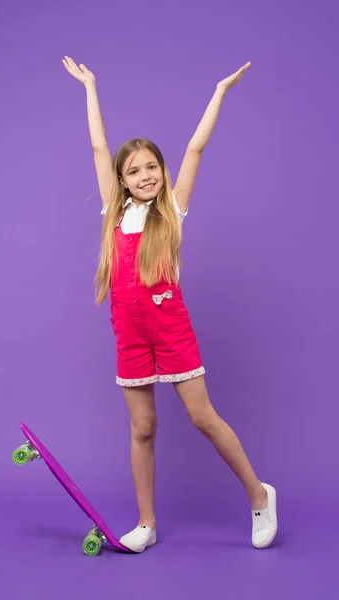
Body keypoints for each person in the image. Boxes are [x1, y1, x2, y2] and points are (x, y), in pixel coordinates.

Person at [62, 55, 277, 552]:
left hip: (171, 328)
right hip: (129, 332)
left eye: (151, 166)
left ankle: (258, 494)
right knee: (143, 426)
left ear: (162, 171)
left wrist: (220, 92)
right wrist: (91, 87)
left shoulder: (173, 212)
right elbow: (98, 145)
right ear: (121, 180)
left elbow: (196, 146)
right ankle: (146, 523)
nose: (144, 176)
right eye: (133, 171)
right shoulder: (113, 213)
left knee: (202, 417)